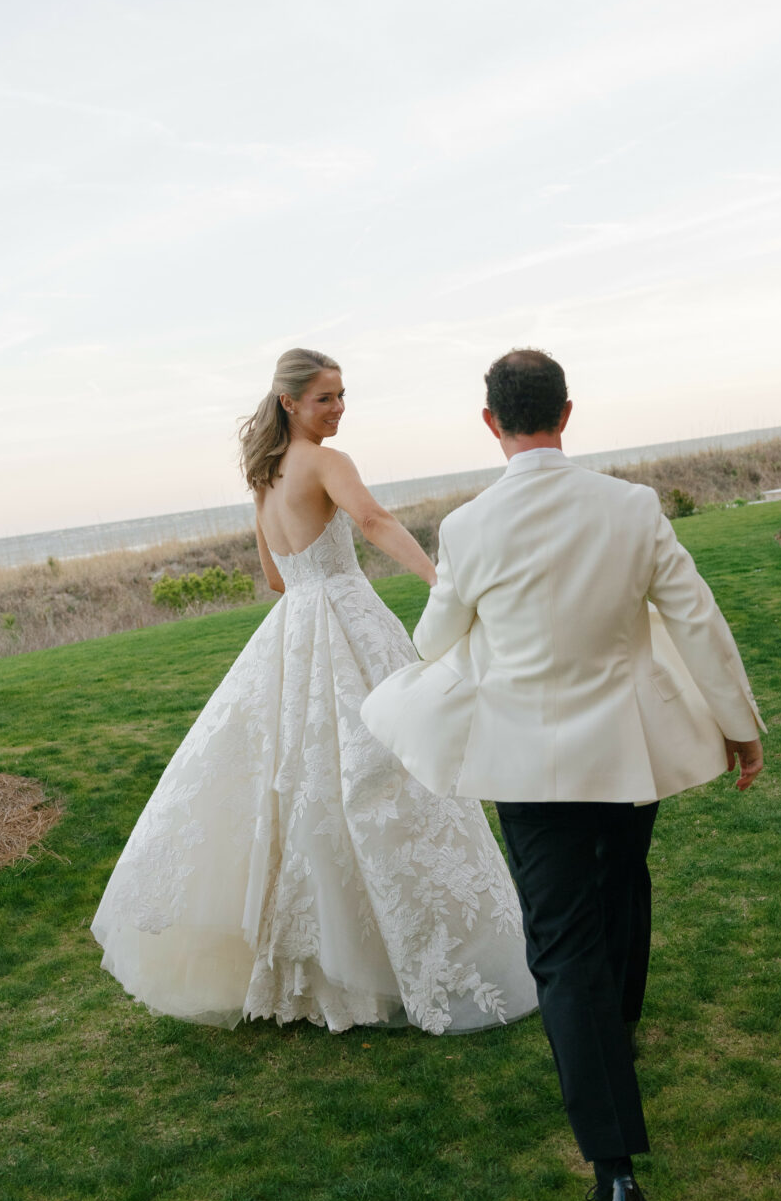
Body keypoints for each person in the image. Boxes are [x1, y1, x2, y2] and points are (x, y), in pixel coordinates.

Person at [363, 349, 764, 1201]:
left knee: (561, 943)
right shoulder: (630, 507)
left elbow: (436, 637)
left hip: (527, 764)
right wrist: (737, 724)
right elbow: (695, 618)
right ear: (566, 413)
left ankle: (616, 1180)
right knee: (622, 883)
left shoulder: (466, 527)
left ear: (490, 423)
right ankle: (613, 1029)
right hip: (627, 751)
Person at [91, 347, 537, 1036]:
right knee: (384, 773)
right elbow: (374, 523)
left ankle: (314, 965)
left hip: (293, 628)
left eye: (341, 395)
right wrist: (440, 583)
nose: (338, 408)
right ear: (290, 403)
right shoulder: (329, 463)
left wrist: (312, 583)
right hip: (343, 619)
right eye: (325, 397)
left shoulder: (265, 479)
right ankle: (388, 958)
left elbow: (275, 579)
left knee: (303, 783)